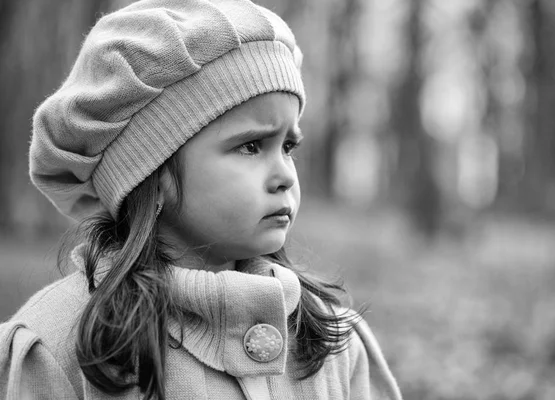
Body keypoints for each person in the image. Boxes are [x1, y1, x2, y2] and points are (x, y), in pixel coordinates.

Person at [0, 0, 402, 398]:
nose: (284, 177)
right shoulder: (58, 347)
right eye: (250, 146)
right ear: (152, 175)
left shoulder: (332, 342)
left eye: (288, 146)